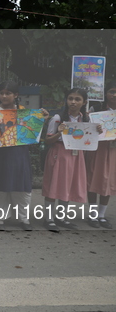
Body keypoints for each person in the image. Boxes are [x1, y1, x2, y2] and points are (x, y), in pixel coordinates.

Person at [0, 80, 48, 231]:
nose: (4, 96)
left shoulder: (24, 112)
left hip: (18, 154)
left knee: (21, 186)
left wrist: (42, 118)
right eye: (2, 93)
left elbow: (32, 136)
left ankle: (24, 219)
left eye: (8, 93)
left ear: (15, 95)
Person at [42, 88, 102, 232]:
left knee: (67, 185)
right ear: (66, 100)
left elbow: (90, 139)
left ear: (84, 102)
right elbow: (47, 140)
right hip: (59, 153)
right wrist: (59, 133)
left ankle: (61, 217)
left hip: (76, 155)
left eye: (77, 99)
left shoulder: (86, 119)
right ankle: (48, 218)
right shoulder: (57, 118)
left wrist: (99, 131)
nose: (73, 102)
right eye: (70, 98)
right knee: (53, 185)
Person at [86, 81, 116, 229]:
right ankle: (92, 215)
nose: (114, 95)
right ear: (105, 93)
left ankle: (102, 215)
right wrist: (92, 124)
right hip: (96, 149)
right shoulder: (96, 109)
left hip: (113, 151)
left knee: (108, 182)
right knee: (93, 180)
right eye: (111, 91)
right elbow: (85, 127)